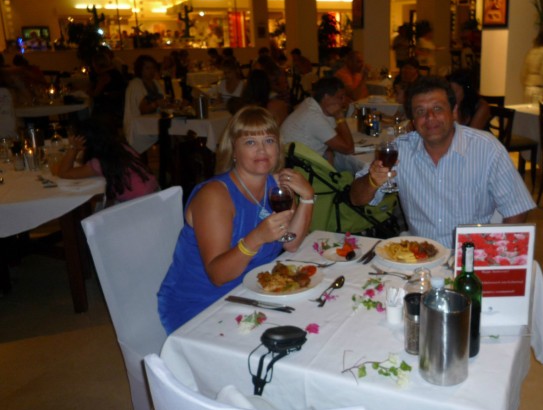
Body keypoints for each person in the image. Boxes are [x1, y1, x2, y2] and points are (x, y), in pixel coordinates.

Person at [157, 106, 315, 334]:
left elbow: (291, 243)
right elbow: (218, 276)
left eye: (269, 140)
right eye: (250, 142)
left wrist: (307, 197)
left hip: (253, 293)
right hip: (202, 305)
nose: (262, 149)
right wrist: (257, 238)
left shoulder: (277, 187)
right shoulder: (214, 196)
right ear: (233, 150)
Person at [350, 76, 535, 248]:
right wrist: (372, 180)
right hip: (419, 256)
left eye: (437, 108)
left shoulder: (486, 149)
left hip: (469, 257)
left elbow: (516, 209)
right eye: (420, 111)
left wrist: (495, 253)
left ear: (453, 111)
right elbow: (356, 198)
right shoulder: (401, 150)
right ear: (413, 120)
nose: (430, 117)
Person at [53, 118, 158, 203]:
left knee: (100, 212)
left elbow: (64, 173)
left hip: (138, 202)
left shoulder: (99, 162)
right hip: (154, 192)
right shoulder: (121, 147)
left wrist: (72, 148)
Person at [280, 76, 357, 171]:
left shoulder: (310, 103)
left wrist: (329, 149)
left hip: (292, 162)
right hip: (298, 169)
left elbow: (336, 135)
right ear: (326, 97)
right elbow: (349, 149)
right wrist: (339, 116)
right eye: (340, 97)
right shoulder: (314, 117)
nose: (344, 101)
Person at [123, 55, 166, 147]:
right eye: (147, 68)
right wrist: (156, 104)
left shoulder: (155, 83)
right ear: (140, 70)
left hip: (152, 122)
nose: (151, 71)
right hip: (139, 125)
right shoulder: (135, 84)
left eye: (153, 68)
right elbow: (143, 109)